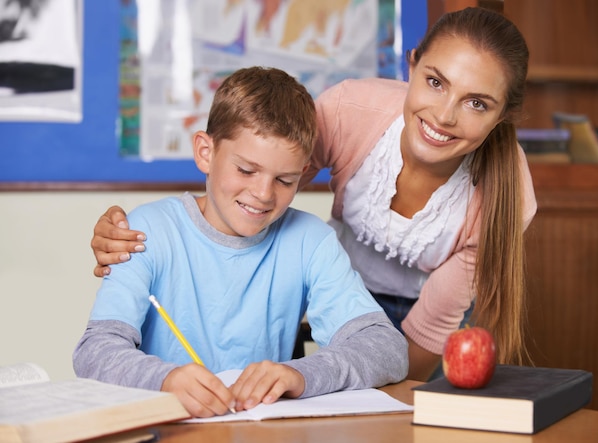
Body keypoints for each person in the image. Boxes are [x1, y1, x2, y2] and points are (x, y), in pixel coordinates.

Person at [89, 7, 537, 382]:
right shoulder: (346, 114)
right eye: (436, 82)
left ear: (504, 115)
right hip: (345, 285)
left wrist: (310, 375)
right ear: (413, 65)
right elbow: (256, 179)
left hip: (416, 319)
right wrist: (138, 228)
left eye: (477, 102)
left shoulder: (502, 195)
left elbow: (401, 349)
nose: (444, 114)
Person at [73, 66, 408, 418]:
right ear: (205, 152)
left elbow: (386, 348)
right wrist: (164, 379)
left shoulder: (311, 241)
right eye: (246, 171)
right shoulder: (147, 231)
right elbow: (95, 350)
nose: (263, 194)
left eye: (284, 179)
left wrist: (301, 373)